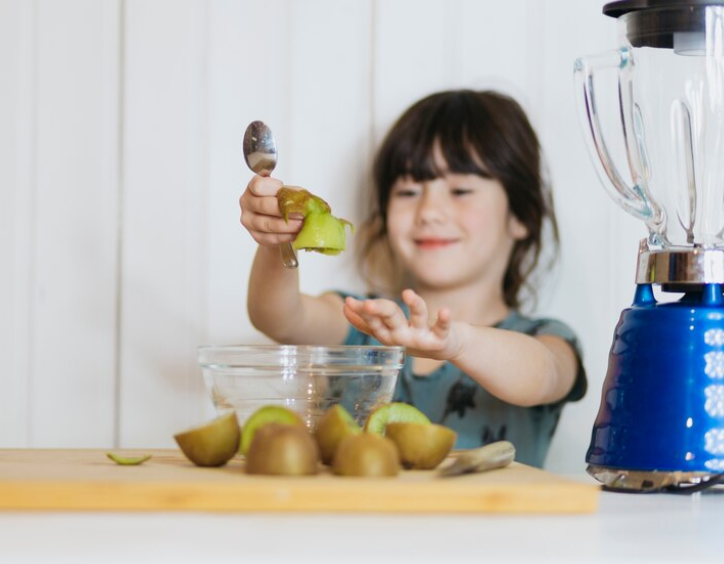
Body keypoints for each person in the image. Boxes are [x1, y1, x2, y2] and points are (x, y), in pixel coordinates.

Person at [239, 89, 586, 468]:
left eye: (460, 190)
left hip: (489, 527)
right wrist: (276, 241)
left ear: (520, 216)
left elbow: (546, 374)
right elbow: (277, 315)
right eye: (408, 191)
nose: (429, 211)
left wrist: (458, 342)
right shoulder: (364, 322)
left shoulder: (546, 339)